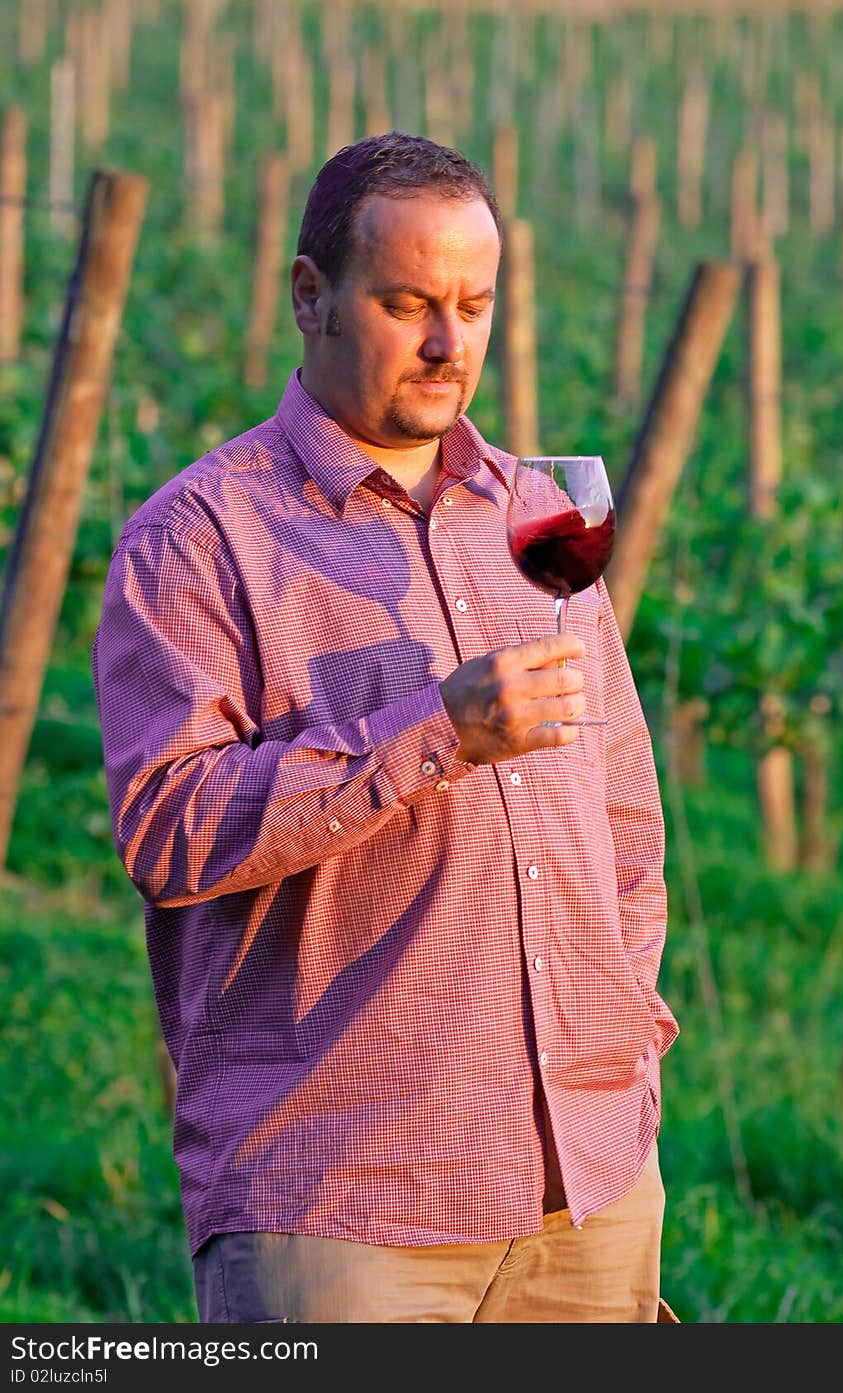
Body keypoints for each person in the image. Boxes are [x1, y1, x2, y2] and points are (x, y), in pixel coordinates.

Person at [92, 131, 680, 1324]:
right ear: (311, 295)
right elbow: (167, 828)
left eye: (473, 304)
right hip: (345, 1205)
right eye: (409, 302)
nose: (448, 343)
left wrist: (632, 1043)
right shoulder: (199, 538)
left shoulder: (536, 513)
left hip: (590, 1190)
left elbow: (620, 813)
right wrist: (436, 730)